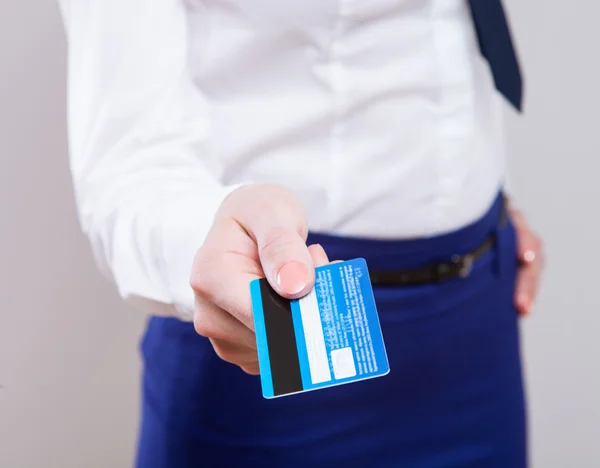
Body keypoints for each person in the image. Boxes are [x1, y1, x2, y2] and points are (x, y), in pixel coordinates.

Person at [58, 0, 544, 466]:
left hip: (476, 323)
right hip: (277, 323)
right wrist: (212, 245)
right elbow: (130, 156)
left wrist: (473, 192)